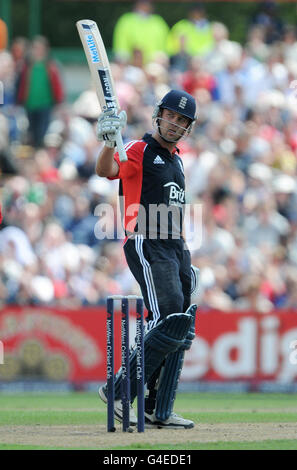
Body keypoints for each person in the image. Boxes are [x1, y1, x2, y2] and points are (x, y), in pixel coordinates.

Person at [95, 89, 200, 429]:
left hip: (174, 246)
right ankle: (120, 389)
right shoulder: (140, 150)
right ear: (159, 114)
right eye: (171, 115)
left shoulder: (177, 160)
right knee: (165, 317)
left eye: (183, 120)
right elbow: (105, 169)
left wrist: (184, 254)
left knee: (180, 323)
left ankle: (158, 407)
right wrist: (110, 141)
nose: (175, 124)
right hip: (146, 239)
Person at [16, 35, 64, 148]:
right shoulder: (27, 66)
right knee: (31, 132)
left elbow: (57, 86)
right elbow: (21, 85)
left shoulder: (50, 66)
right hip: (30, 104)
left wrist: (59, 102)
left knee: (42, 132)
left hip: (45, 104)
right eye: (35, 48)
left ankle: (40, 153)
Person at [112, 0, 169, 65]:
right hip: (129, 65)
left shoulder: (158, 22)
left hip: (153, 66)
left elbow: (164, 51)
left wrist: (159, 58)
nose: (144, 5)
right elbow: (121, 51)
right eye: (142, 2)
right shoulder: (126, 20)